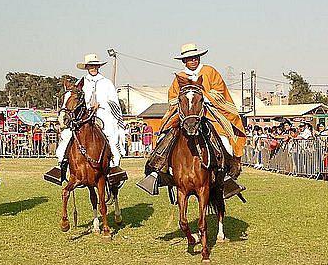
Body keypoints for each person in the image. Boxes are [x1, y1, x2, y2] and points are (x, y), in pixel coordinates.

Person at [138, 43, 246, 199]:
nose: (193, 61)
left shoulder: (210, 72)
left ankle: (226, 176)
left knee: (225, 140)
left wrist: (204, 97)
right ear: (184, 61)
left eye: (195, 57)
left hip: (209, 113)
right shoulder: (179, 78)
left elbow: (220, 92)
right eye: (189, 58)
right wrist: (182, 105)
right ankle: (157, 172)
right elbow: (172, 98)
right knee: (165, 136)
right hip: (185, 115)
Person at [44, 53, 127, 185]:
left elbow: (114, 103)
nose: (93, 67)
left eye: (95, 65)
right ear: (87, 67)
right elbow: (73, 99)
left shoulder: (107, 83)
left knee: (111, 134)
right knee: (66, 134)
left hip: (102, 114)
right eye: (90, 65)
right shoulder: (80, 83)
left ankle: (113, 166)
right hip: (83, 115)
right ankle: (61, 164)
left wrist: (100, 104)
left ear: (98, 66)